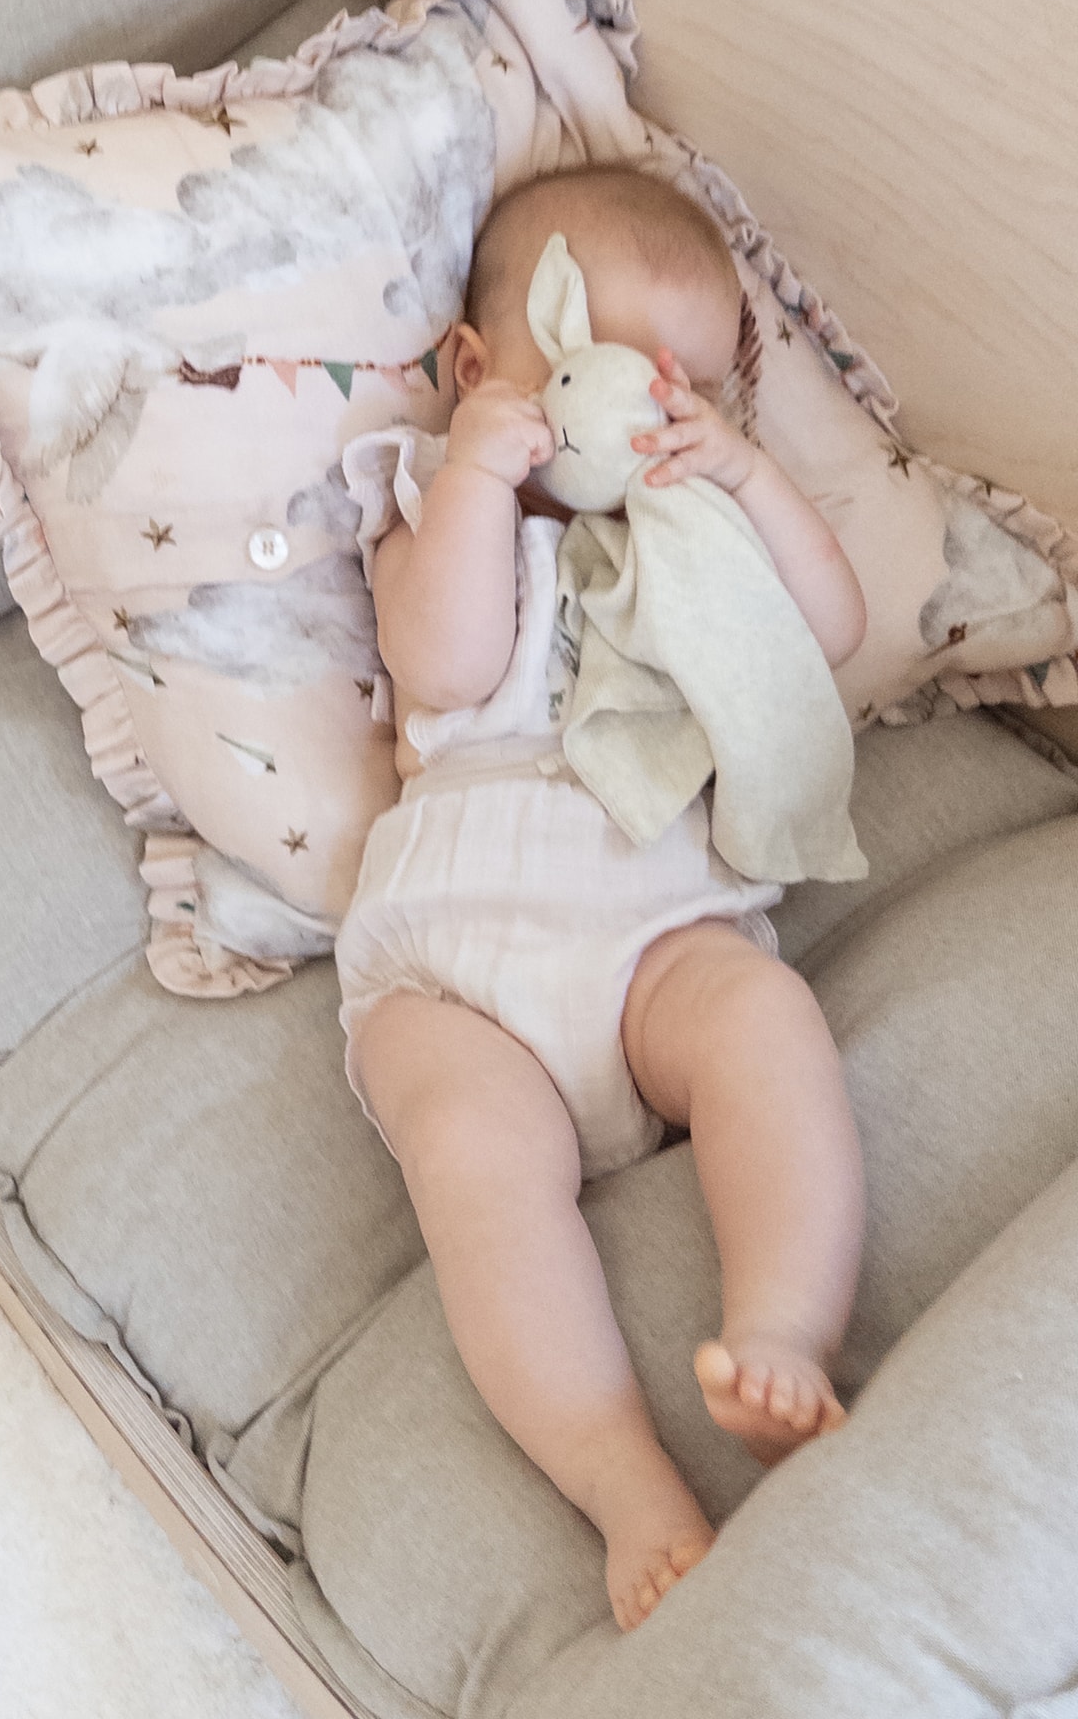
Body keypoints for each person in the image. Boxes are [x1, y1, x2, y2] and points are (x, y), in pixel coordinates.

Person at [337, 165, 867, 1631]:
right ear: (476, 370)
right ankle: (619, 1472)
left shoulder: (697, 543)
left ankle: (783, 1331)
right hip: (455, 967)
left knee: (764, 1014)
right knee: (468, 1151)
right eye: (593, 356)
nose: (634, 402)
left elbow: (825, 639)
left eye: (678, 381)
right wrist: (477, 474)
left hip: (654, 942)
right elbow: (442, 669)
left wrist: (746, 479)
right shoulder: (436, 503)